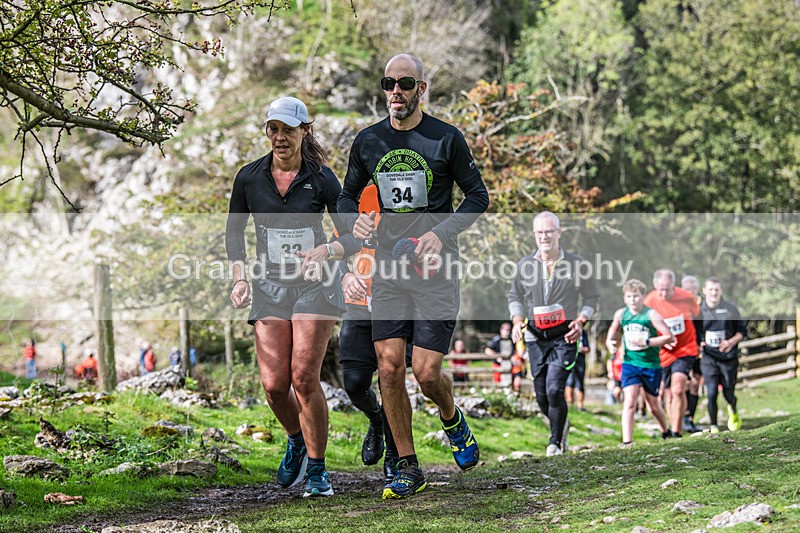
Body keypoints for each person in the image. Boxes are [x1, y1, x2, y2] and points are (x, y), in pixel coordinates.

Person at [337, 53, 489, 499]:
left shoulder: (446, 139)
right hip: (386, 270)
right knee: (388, 366)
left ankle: (451, 417)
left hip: (434, 271)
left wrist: (442, 234)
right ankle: (407, 466)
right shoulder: (367, 142)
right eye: (389, 83)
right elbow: (346, 197)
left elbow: (478, 197)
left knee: (425, 372)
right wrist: (354, 224)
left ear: (421, 89)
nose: (396, 91)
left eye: (405, 83)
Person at [226, 96, 361, 498]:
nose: (279, 137)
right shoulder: (249, 178)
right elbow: (234, 234)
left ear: (305, 131)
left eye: (287, 129)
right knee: (273, 383)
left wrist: (328, 251)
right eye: (273, 129)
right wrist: (239, 279)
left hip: (315, 286)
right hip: (269, 287)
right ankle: (296, 438)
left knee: (303, 377)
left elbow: (352, 235)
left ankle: (318, 470)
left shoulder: (322, 179)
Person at [509, 211, 599, 456]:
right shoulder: (524, 266)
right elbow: (515, 296)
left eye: (549, 231)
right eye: (539, 232)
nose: (544, 236)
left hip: (564, 337)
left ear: (559, 233)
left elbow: (591, 297)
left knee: (554, 389)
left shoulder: (577, 264)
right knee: (541, 395)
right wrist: (517, 320)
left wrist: (581, 320)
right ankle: (560, 425)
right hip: (535, 338)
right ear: (534, 235)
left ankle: (555, 442)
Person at [338, 183, 408, 483]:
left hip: (396, 303)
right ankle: (377, 419)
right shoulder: (359, 195)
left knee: (391, 379)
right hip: (359, 303)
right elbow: (336, 242)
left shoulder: (411, 192)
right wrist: (344, 275)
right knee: (354, 384)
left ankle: (395, 453)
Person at [606, 279, 675, 447]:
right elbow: (613, 330)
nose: (632, 300)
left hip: (650, 365)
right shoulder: (621, 314)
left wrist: (648, 341)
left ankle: (666, 431)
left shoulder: (651, 315)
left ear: (643, 297)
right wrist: (609, 342)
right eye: (629, 296)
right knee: (630, 401)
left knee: (653, 406)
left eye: (636, 296)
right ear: (624, 298)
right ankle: (627, 441)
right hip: (630, 364)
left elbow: (669, 336)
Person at [643, 269, 701, 437]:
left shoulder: (687, 297)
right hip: (663, 352)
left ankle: (677, 431)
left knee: (678, 387)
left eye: (667, 289)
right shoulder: (650, 300)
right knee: (668, 393)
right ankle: (673, 429)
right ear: (655, 286)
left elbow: (698, 317)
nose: (663, 293)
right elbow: (646, 326)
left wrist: (700, 339)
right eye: (660, 289)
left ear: (673, 286)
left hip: (685, 348)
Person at [698, 277, 747, 433]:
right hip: (708, 358)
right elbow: (694, 332)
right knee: (711, 392)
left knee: (728, 391)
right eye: (711, 289)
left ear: (721, 291)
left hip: (728, 357)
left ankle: (732, 406)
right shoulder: (698, 310)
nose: (714, 292)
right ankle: (713, 426)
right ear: (704, 290)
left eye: (717, 289)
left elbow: (742, 331)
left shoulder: (730, 309)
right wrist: (699, 342)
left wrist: (731, 342)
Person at [680, 275, 703, 433]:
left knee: (695, 384)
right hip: (683, 349)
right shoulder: (679, 305)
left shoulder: (702, 306)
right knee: (685, 383)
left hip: (699, 350)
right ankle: (681, 417)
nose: (690, 292)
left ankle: (690, 418)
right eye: (686, 289)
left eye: (692, 289)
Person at [565, 330, 590, 411]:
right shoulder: (566, 330)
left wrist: (580, 349)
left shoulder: (583, 332)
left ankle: (580, 405)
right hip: (569, 359)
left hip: (580, 360)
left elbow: (587, 348)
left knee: (580, 383)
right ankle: (570, 404)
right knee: (569, 381)